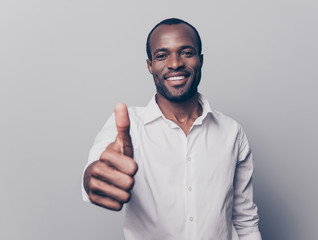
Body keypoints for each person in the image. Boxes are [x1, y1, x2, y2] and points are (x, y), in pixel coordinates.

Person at [82, 18, 262, 240]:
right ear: (150, 66)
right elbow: (96, 169)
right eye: (162, 55)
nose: (175, 63)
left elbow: (245, 221)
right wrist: (97, 176)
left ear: (201, 60)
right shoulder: (129, 127)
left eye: (186, 52)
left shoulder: (232, 132)